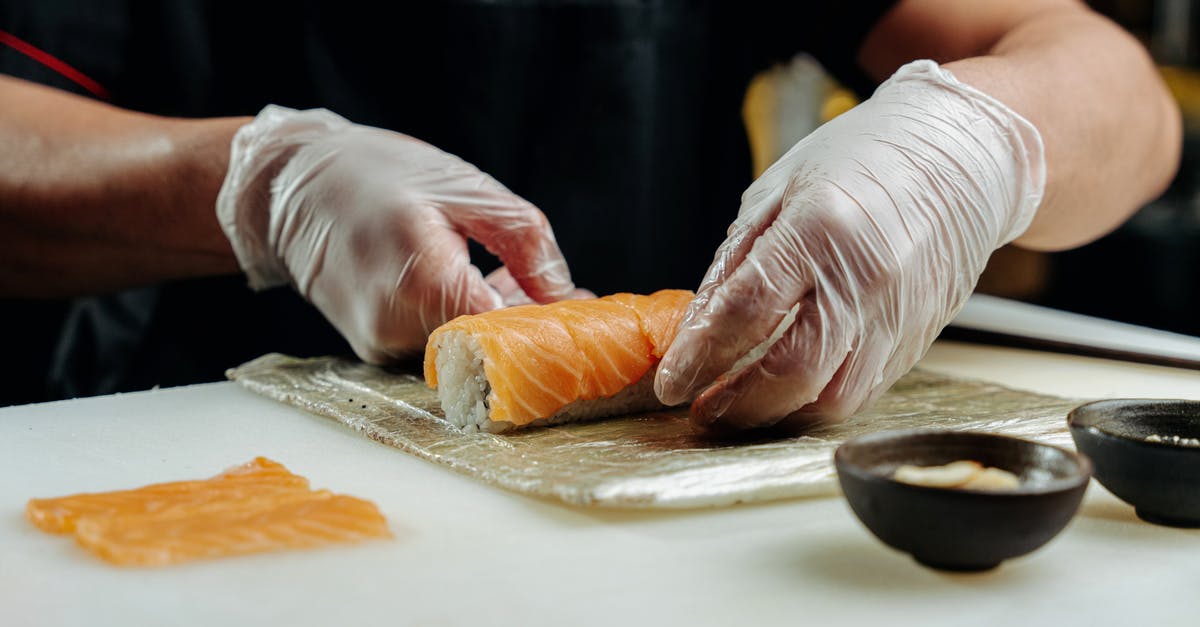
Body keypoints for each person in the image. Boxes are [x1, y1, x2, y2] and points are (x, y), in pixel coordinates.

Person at [0, 1, 1181, 431]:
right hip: (200, 432)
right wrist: (257, 182)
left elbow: (1120, 92)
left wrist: (968, 141)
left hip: (671, 447)